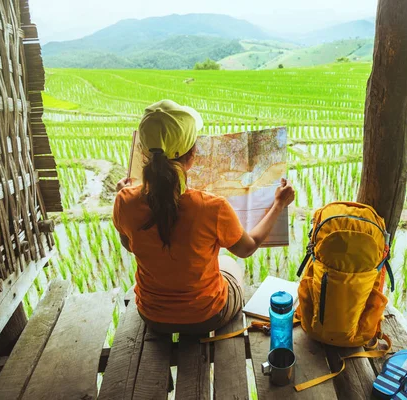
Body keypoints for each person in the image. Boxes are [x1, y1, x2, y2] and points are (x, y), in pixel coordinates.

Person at [113, 100, 295, 334]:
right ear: (192, 154)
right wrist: (279, 204)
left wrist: (123, 195)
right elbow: (246, 248)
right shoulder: (212, 206)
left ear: (143, 152)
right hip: (206, 315)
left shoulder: (124, 201)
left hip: (152, 315)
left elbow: (128, 245)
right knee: (228, 263)